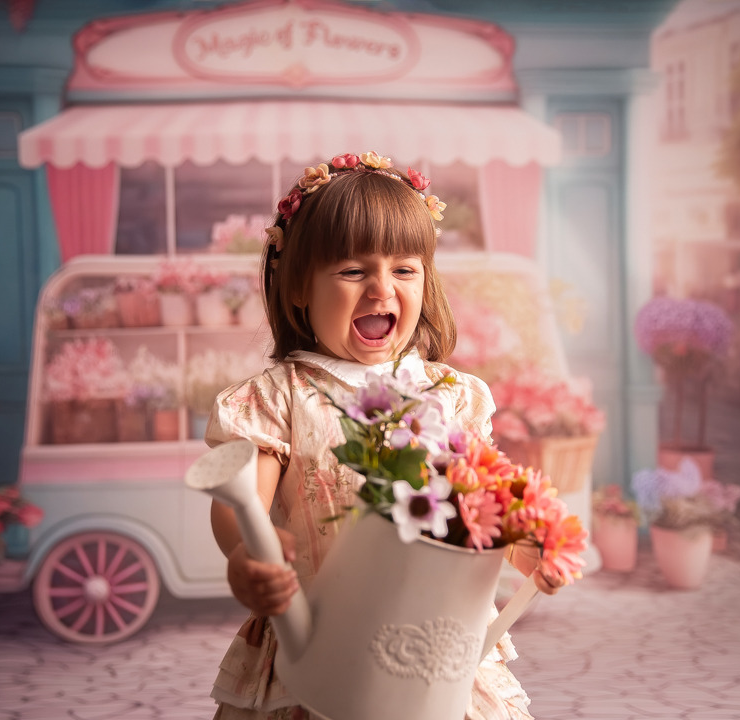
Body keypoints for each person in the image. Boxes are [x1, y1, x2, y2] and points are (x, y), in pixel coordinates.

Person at [206, 151, 564, 720]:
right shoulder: (282, 398)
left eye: (404, 270)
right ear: (299, 287)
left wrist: (530, 547)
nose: (381, 289)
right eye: (352, 271)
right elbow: (239, 503)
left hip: (433, 647)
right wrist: (249, 556)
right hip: (320, 641)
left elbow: (486, 504)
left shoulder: (451, 395)